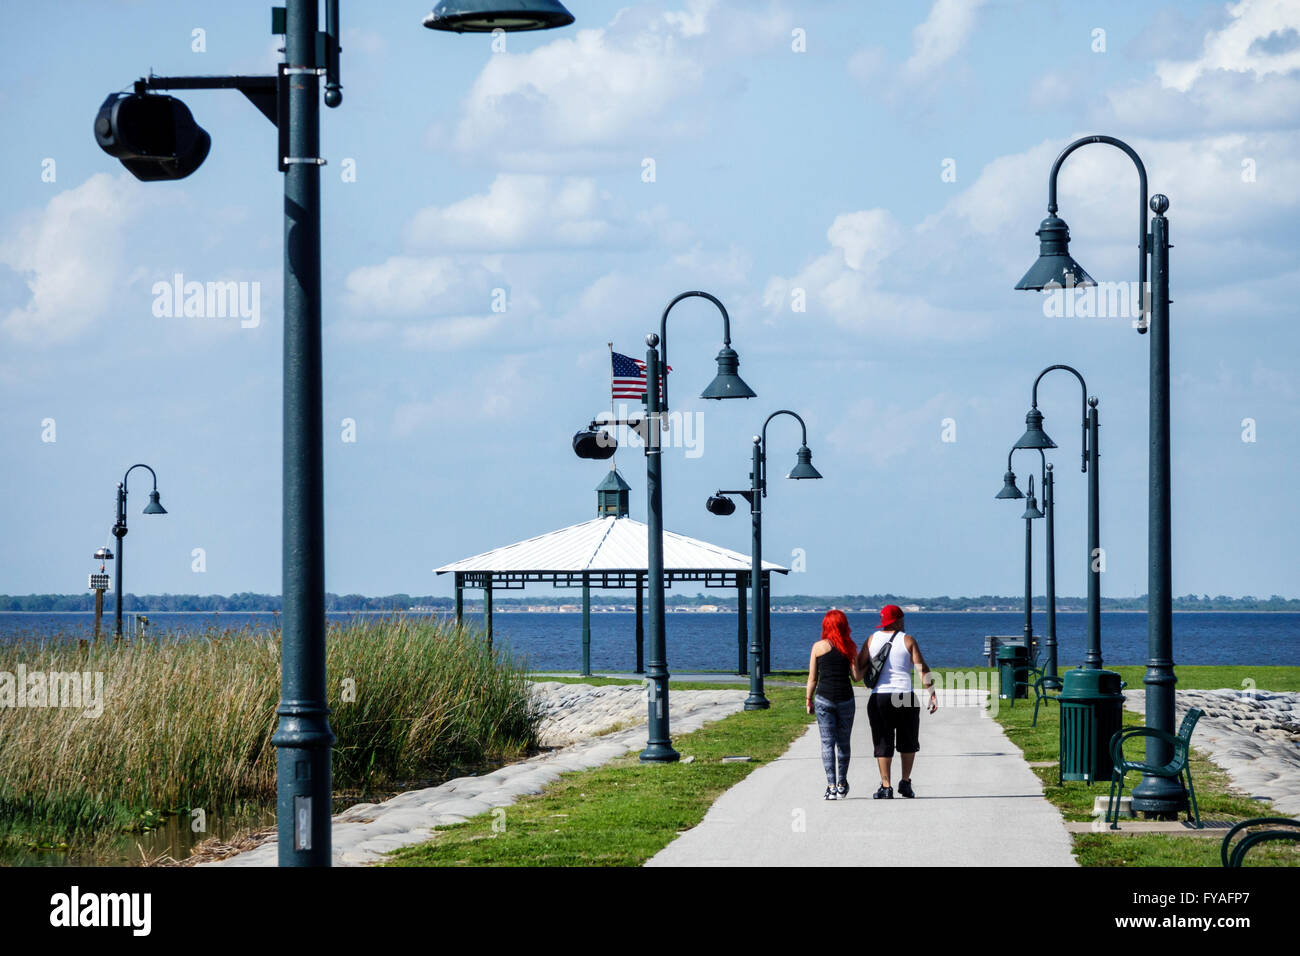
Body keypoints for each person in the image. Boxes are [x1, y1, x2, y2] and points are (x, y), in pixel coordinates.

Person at [857, 604, 937, 799]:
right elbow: (922, 669)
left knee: (882, 741)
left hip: (880, 697)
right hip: (904, 696)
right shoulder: (908, 640)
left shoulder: (871, 640)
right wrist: (932, 693)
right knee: (908, 740)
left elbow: (859, 669)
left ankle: (886, 786)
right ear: (898, 620)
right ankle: (905, 782)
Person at [806, 609, 861, 800]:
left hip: (823, 698)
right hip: (845, 698)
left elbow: (813, 678)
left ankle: (830, 786)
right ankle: (841, 784)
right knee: (843, 743)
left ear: (826, 625)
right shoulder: (849, 647)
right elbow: (856, 677)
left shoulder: (818, 647)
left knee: (827, 743)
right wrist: (867, 665)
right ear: (844, 626)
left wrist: (808, 700)